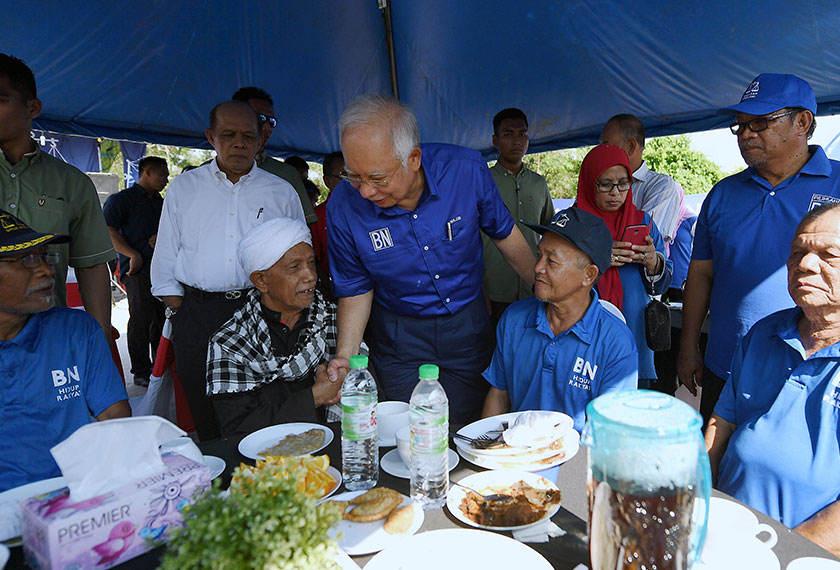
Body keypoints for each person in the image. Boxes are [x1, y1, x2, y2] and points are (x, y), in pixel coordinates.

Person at [326, 94, 537, 425]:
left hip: (466, 326)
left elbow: (505, 235)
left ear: (413, 158)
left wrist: (548, 292)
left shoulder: (465, 171)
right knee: (411, 430)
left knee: (470, 427)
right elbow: (355, 287)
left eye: (378, 178)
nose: (365, 191)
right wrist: (345, 356)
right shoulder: (342, 206)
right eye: (353, 176)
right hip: (398, 336)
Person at [678, 73, 840, 427]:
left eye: (760, 122)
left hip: (815, 373)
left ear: (802, 122)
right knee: (715, 458)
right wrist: (689, 346)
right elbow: (701, 274)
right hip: (725, 365)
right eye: (740, 125)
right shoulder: (722, 194)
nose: (747, 134)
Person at [151, 100, 306, 441]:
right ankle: (217, 470)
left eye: (248, 136)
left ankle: (261, 472)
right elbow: (166, 255)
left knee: (260, 409)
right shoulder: (184, 188)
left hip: (260, 312)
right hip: (197, 313)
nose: (239, 144)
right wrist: (179, 310)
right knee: (204, 407)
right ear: (211, 137)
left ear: (260, 140)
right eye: (228, 135)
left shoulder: (281, 192)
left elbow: (298, 258)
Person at [705, 204, 840, 556]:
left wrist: (780, 555)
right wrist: (696, 496)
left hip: (800, 555)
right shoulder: (765, 332)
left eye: (828, 255)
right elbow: (723, 421)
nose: (804, 264)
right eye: (797, 252)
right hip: (723, 532)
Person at [0, 210, 130, 492]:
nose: (46, 271)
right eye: (27, 260)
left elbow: (116, 419)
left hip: (78, 495)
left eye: (45, 257)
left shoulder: (77, 330)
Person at [482, 207, 638, 431]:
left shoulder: (615, 343)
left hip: (581, 453)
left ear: (589, 275)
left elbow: (610, 432)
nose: (538, 268)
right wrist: (486, 445)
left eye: (552, 261)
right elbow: (498, 394)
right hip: (517, 450)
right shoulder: (515, 320)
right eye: (539, 255)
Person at [0, 53, 116, 341]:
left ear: (32, 108)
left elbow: (91, 265)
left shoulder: (73, 183)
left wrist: (99, 339)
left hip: (49, 341)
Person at [206, 218, 340, 436]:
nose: (311, 276)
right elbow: (238, 428)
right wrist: (315, 397)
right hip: (267, 454)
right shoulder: (231, 342)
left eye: (311, 263)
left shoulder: (335, 319)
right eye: (295, 267)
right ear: (261, 281)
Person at [575, 144, 672, 388]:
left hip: (633, 334)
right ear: (589, 182)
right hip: (580, 335)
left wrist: (653, 262)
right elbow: (552, 277)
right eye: (605, 184)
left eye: (623, 183)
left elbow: (664, 280)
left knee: (631, 406)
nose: (615, 192)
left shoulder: (643, 221)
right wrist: (596, 262)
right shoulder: (569, 224)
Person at [483, 108, 554, 328]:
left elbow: (551, 233)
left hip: (534, 287)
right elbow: (466, 240)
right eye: (508, 134)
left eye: (522, 134)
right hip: (493, 291)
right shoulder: (482, 182)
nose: (516, 141)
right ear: (495, 140)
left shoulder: (539, 183)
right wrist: (478, 289)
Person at [103, 156, 168, 388]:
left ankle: (160, 367)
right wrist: (132, 254)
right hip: (135, 270)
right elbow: (107, 229)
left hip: (162, 268)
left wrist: (163, 237)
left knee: (162, 318)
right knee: (140, 316)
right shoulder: (122, 200)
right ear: (147, 173)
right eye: (162, 174)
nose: (166, 179)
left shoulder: (161, 203)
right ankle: (141, 370)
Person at [600, 114, 691, 250]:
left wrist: (595, 245)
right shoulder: (595, 183)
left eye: (606, 146)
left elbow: (642, 240)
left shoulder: (661, 186)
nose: (600, 152)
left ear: (631, 146)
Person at [231, 86, 317, 226]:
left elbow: (304, 229)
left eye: (272, 122)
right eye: (260, 118)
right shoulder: (207, 174)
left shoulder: (287, 175)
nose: (267, 127)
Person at [314, 151, 344, 279]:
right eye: (343, 176)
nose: (351, 182)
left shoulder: (369, 210)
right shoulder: (317, 216)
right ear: (327, 181)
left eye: (354, 175)